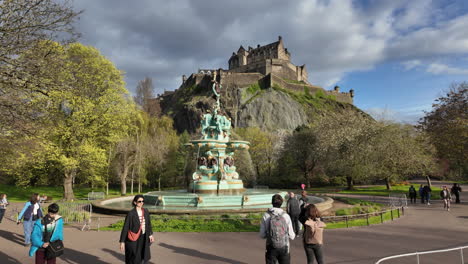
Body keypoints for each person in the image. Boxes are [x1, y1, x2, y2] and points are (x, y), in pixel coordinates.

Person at [259, 194, 295, 264]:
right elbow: (292, 236)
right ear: (281, 203)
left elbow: (262, 235)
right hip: (284, 247)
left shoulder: (266, 215)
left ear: (272, 203)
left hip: (271, 246)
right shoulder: (286, 216)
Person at [120, 195, 154, 264]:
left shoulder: (146, 211)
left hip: (144, 237)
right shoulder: (131, 213)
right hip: (134, 238)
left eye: (143, 201)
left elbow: (148, 224)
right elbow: (125, 227)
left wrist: (150, 234)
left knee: (143, 255)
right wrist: (122, 241)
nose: (141, 203)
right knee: (134, 256)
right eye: (139, 201)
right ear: (135, 202)